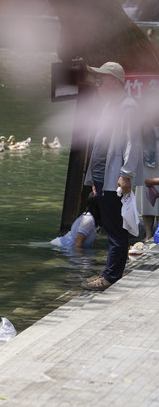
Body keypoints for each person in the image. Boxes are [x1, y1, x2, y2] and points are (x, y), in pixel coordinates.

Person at [82, 61, 144, 291]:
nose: (97, 82)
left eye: (102, 78)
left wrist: (126, 174)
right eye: (97, 78)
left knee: (116, 228)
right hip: (102, 177)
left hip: (114, 178)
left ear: (116, 82)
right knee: (109, 226)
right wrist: (93, 179)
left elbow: (132, 143)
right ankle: (110, 271)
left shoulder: (127, 107)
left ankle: (111, 276)